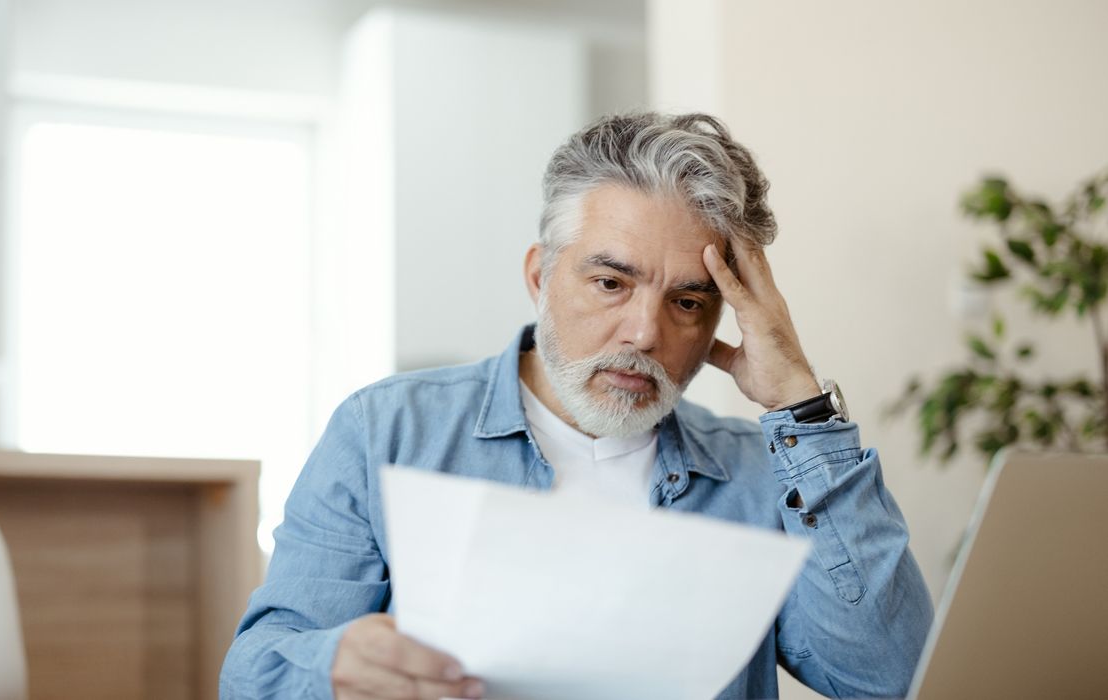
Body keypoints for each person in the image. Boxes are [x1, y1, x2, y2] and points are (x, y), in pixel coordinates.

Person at [220, 112, 934, 700]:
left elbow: (888, 679)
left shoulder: (759, 473)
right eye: (610, 284)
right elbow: (254, 675)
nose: (645, 333)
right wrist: (334, 668)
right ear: (540, 275)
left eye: (687, 302)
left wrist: (801, 409)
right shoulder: (388, 430)